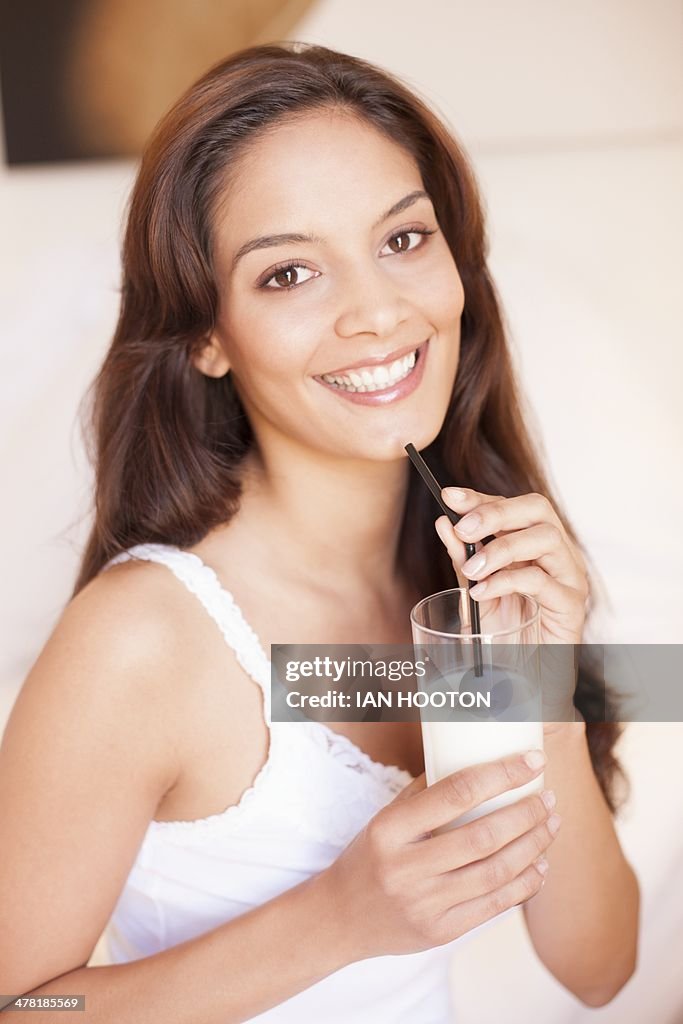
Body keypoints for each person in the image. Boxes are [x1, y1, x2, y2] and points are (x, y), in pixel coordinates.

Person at [0, 42, 639, 1023]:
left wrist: (534, 672)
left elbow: (595, 968)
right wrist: (338, 920)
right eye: (289, 272)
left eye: (400, 240)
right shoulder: (140, 641)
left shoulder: (469, 592)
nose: (377, 310)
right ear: (206, 336)